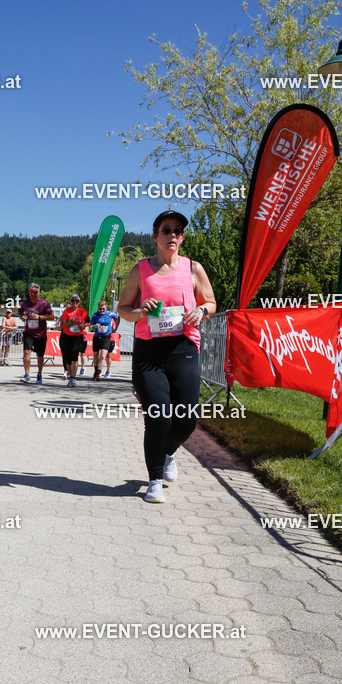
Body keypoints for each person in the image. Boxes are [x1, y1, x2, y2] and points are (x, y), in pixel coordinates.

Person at [117, 210, 216, 503]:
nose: (172, 234)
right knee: (158, 417)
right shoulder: (141, 270)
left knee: (186, 420)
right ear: (155, 236)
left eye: (177, 231)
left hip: (184, 349)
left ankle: (169, 451)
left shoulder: (193, 268)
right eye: (166, 230)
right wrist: (140, 312)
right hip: (149, 353)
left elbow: (211, 302)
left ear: (182, 238)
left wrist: (201, 310)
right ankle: (154, 480)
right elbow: (123, 309)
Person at [19, 283, 54, 384]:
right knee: (26, 352)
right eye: (31, 292)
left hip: (40, 334)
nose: (33, 294)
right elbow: (20, 311)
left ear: (39, 292)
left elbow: (51, 316)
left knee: (40, 355)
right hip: (28, 332)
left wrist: (39, 317)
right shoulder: (25, 302)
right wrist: (21, 317)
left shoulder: (44, 303)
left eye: (35, 292)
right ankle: (27, 375)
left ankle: (39, 374)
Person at [58, 294, 89, 387]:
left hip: (78, 337)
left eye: (77, 301)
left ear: (79, 302)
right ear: (71, 302)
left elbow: (88, 322)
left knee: (74, 356)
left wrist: (83, 326)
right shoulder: (66, 311)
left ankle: (73, 378)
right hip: (66, 336)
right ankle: (70, 376)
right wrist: (70, 322)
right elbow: (62, 326)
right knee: (68, 358)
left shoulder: (83, 311)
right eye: (73, 301)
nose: (75, 303)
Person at [89, 299, 119, 380]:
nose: (102, 310)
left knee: (102, 356)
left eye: (103, 309)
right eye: (100, 309)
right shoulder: (95, 315)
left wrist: (115, 328)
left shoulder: (110, 314)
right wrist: (94, 326)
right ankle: (96, 371)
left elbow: (118, 317)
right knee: (96, 356)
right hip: (97, 337)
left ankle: (98, 373)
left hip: (106, 337)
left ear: (106, 308)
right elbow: (90, 327)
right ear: (98, 308)